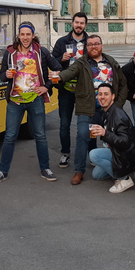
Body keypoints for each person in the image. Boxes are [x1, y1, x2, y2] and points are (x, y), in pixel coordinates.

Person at [0, 22, 62, 184]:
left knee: (41, 136)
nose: (25, 37)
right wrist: (6, 75)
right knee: (9, 136)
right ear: (18, 35)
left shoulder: (41, 52)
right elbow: (1, 75)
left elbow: (58, 69)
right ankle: (3, 171)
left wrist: (46, 87)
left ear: (32, 35)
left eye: (28, 34)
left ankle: (45, 169)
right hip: (15, 101)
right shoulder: (10, 53)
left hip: (35, 100)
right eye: (22, 34)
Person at [59, 34, 127, 185]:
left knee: (113, 136)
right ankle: (79, 171)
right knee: (83, 135)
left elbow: (123, 84)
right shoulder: (81, 62)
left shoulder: (111, 62)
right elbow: (70, 72)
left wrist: (118, 105)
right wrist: (59, 77)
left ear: (101, 45)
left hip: (109, 109)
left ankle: (120, 165)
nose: (93, 46)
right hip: (87, 107)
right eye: (90, 44)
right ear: (86, 47)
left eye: (96, 44)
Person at [51, 12, 89, 168]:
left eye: (82, 23)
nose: (79, 25)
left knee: (86, 125)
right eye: (77, 22)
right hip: (66, 89)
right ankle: (65, 153)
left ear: (85, 25)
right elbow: (52, 63)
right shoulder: (62, 42)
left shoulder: (91, 42)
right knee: (64, 124)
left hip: (84, 90)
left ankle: (89, 153)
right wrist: (62, 59)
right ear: (72, 23)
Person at [88, 83, 135, 193]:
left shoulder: (118, 115)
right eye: (100, 94)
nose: (102, 97)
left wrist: (104, 134)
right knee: (96, 175)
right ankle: (122, 172)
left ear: (113, 96)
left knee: (94, 154)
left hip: (124, 154)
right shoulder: (107, 111)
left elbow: (125, 142)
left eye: (106, 94)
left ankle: (124, 179)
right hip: (115, 150)